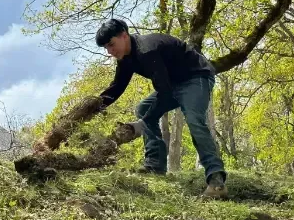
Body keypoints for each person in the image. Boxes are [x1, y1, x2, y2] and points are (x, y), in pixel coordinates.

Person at [96, 18, 228, 198]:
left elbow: (164, 93)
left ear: (124, 35)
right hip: (173, 84)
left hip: (197, 77)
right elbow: (117, 87)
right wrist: (93, 108)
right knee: (143, 108)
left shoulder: (148, 50)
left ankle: (216, 180)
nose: (110, 52)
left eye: (112, 45)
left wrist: (144, 123)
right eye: (106, 48)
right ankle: (155, 165)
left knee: (194, 119)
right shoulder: (126, 59)